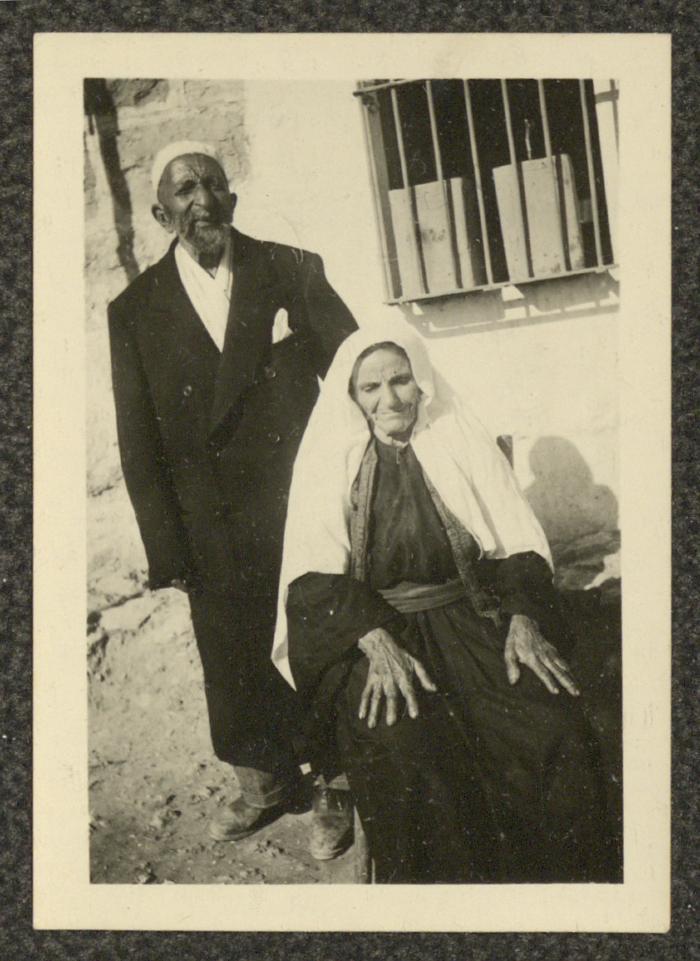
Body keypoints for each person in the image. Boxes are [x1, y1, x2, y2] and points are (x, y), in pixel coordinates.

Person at [272, 321, 614, 883]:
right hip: (376, 632)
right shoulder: (332, 459)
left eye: (401, 381)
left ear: (421, 382)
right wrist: (374, 639)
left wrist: (524, 618)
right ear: (352, 398)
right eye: (371, 388)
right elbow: (311, 576)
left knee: (552, 729)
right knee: (406, 753)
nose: (390, 399)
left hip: (472, 616)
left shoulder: (455, 436)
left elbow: (519, 541)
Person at [107, 140, 357, 852]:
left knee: (314, 640)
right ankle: (265, 781)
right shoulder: (133, 309)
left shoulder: (289, 268)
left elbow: (350, 372)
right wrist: (166, 545)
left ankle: (337, 785)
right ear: (160, 213)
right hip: (207, 518)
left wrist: (347, 484)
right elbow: (138, 442)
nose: (202, 201)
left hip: (295, 500)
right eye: (183, 191)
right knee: (231, 654)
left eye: (213, 185)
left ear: (233, 198)